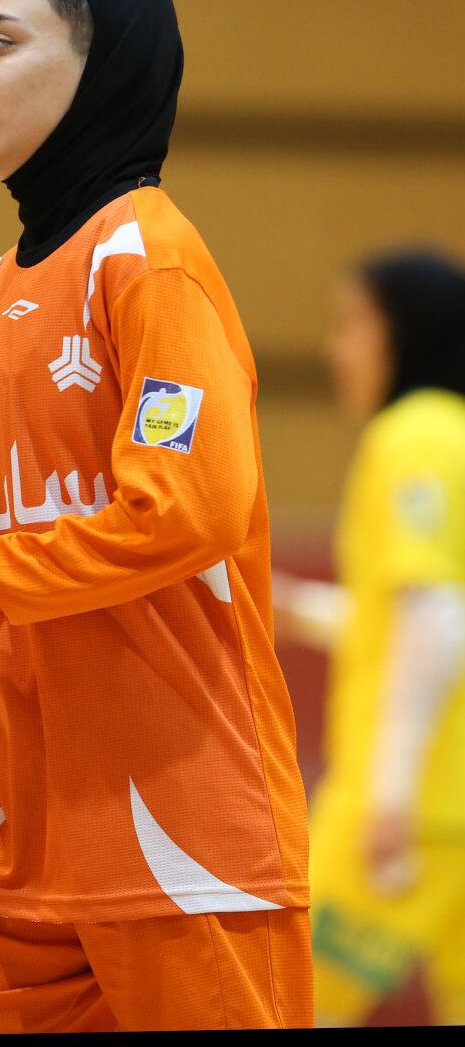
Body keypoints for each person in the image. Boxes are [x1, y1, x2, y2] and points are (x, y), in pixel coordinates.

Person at [0, 0, 313, 1034]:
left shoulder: (150, 260)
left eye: (1, 43)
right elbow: (38, 536)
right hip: (17, 819)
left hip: (181, 825)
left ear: (98, 68)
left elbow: (181, 515)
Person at [273, 246, 465, 1027]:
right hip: (447, 806)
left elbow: (437, 619)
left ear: (404, 332)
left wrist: (389, 796)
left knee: (284, 1003)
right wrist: (296, 607)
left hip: (416, 808)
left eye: (353, 325)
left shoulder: (411, 438)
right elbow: (411, 621)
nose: (336, 349)